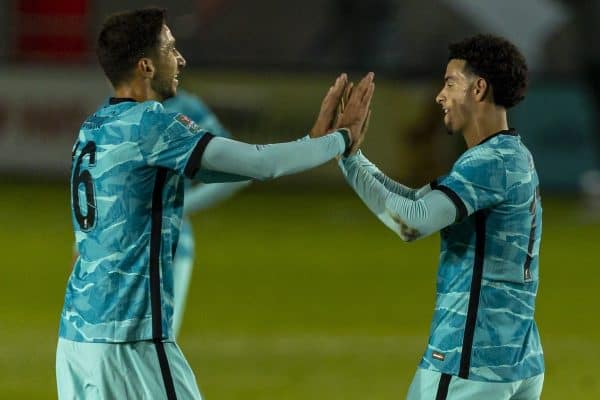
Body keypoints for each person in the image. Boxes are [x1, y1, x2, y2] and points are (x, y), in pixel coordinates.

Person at [56, 7, 374, 400]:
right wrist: (340, 140)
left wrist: (311, 143)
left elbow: (231, 168)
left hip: (75, 340)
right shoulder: (151, 125)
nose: (180, 58)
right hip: (129, 341)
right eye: (170, 48)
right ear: (146, 66)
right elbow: (260, 163)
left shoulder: (93, 127)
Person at [332, 34, 544, 399]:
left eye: (450, 83)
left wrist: (344, 154)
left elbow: (412, 222)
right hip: (518, 359)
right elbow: (417, 200)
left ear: (478, 89)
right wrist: (350, 154)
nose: (439, 96)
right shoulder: (514, 155)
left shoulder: (487, 162)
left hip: (469, 362)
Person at [162, 90, 251, 336]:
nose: (179, 60)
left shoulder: (185, 109)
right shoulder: (111, 112)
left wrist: (179, 206)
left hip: (170, 244)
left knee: (155, 352)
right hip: (114, 252)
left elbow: (239, 171)